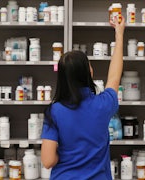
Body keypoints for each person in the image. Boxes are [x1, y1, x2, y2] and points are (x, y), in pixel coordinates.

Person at [41, 16, 125, 180]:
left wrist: (64, 158)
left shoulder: (55, 111)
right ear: (89, 72)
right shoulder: (103, 104)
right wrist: (119, 34)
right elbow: (114, 77)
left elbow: (47, 161)